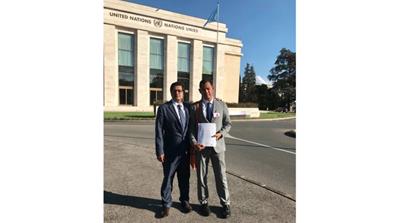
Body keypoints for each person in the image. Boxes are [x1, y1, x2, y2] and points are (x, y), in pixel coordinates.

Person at [189, 80, 232, 218]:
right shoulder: (195, 107)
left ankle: (225, 204)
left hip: (218, 148)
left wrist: (221, 134)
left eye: (208, 89)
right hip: (201, 149)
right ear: (200, 91)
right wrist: (194, 143)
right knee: (201, 176)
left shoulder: (221, 105)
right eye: (203, 89)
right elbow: (191, 129)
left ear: (212, 88)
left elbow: (228, 124)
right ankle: (203, 202)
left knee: (221, 176)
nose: (206, 92)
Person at [155, 81, 192, 217]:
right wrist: (160, 151)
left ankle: (184, 201)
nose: (177, 93)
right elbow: (159, 131)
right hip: (170, 152)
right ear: (171, 92)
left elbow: (202, 105)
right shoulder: (164, 108)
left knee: (184, 178)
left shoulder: (188, 107)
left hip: (185, 152)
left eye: (180, 91)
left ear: (183, 93)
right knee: (168, 179)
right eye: (175, 91)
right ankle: (166, 205)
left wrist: (216, 99)